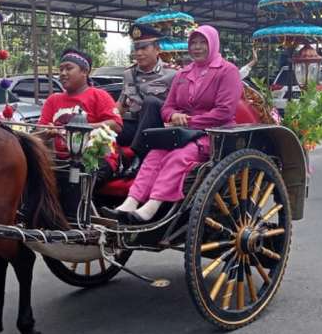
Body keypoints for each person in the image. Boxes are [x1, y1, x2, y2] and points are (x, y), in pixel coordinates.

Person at [104, 25, 241, 223]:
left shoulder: (227, 71)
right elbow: (167, 108)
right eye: (193, 43)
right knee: (154, 154)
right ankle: (131, 201)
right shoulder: (183, 74)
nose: (197, 47)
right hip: (181, 132)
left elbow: (224, 112)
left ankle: (152, 206)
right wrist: (174, 115)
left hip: (213, 134)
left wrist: (189, 121)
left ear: (213, 44)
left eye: (203, 42)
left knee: (178, 157)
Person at [39, 48, 122, 186]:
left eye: (68, 68)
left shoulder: (99, 95)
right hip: (61, 160)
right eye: (61, 69)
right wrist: (47, 132)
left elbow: (117, 125)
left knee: (73, 180)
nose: (63, 73)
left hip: (96, 158)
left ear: (84, 72)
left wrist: (82, 128)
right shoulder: (53, 99)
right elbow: (40, 132)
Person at [115, 24, 176, 175]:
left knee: (150, 102)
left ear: (157, 49)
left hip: (159, 128)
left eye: (144, 48)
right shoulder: (129, 74)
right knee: (105, 131)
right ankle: (111, 165)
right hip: (136, 124)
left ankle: (139, 156)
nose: (139, 53)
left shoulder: (172, 74)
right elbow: (121, 105)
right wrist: (106, 123)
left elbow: (179, 105)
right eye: (136, 49)